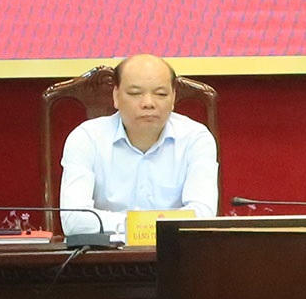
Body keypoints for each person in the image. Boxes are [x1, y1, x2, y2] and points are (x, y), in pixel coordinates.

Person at [57, 54, 219, 233]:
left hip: (176, 249)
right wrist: (142, 227)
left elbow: (202, 216)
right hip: (105, 250)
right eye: (135, 93)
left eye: (161, 94)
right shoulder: (86, 138)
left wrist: (134, 226)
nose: (148, 103)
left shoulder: (196, 138)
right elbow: (74, 220)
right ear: (116, 96)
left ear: (173, 97)